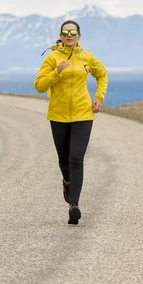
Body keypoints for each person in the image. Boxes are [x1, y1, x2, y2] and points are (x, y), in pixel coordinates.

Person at [34, 20, 108, 225]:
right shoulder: (52, 57)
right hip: (58, 115)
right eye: (65, 32)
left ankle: (74, 206)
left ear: (79, 36)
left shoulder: (87, 57)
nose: (69, 35)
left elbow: (102, 74)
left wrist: (99, 97)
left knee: (76, 159)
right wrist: (56, 72)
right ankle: (67, 182)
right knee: (64, 161)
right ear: (60, 35)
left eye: (73, 32)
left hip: (83, 114)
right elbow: (39, 86)